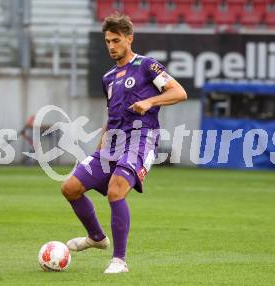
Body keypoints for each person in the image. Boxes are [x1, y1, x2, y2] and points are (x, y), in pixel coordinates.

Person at [61, 12, 187, 274]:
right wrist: (101, 144)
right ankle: (96, 238)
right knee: (70, 188)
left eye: (116, 40)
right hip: (112, 144)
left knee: (116, 191)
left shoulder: (146, 66)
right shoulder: (108, 77)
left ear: (129, 39)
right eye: (107, 41)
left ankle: (119, 260)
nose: (111, 46)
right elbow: (112, 114)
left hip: (142, 140)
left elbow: (179, 92)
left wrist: (150, 101)